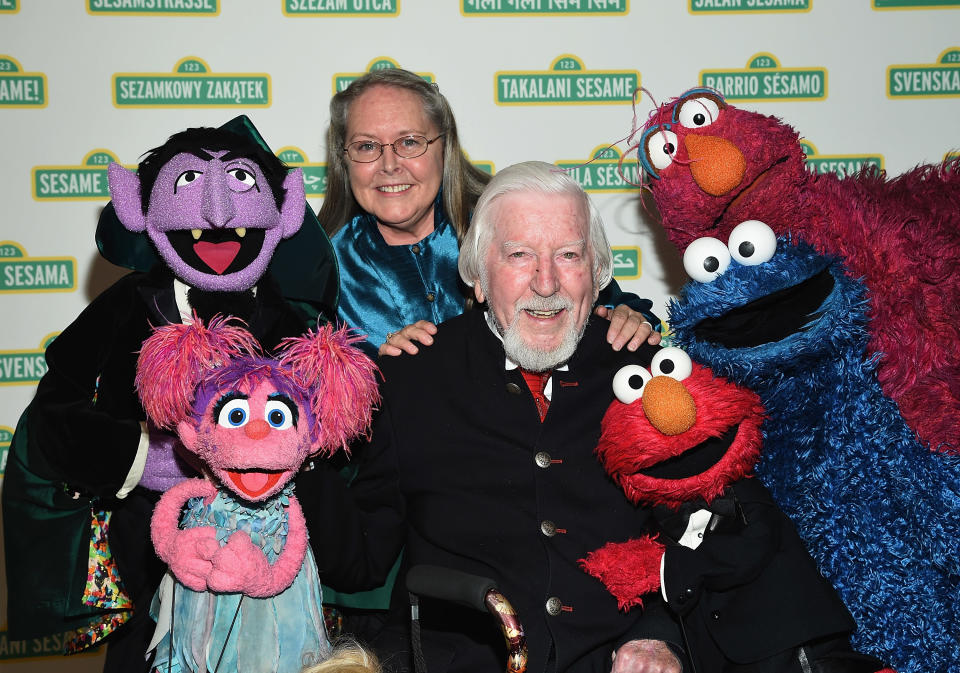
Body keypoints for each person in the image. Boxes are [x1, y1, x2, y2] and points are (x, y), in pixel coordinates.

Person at [299, 162, 685, 672]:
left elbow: (699, 545)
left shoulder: (645, 378)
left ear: (597, 275)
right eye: (519, 256)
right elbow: (360, 562)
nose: (546, 283)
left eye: (568, 255)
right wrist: (300, 442)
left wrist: (659, 638)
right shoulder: (411, 378)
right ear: (478, 277)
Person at [1, 122, 325, 673]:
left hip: (267, 566)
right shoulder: (128, 304)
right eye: (193, 182)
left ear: (283, 212)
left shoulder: (294, 321)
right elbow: (53, 413)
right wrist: (140, 458)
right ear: (141, 209)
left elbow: (334, 439)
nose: (219, 213)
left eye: (240, 183)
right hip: (145, 550)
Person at [317, 68, 661, 359]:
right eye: (366, 146)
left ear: (445, 146)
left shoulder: (508, 218)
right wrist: (369, 380)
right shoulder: (320, 271)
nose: (389, 165)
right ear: (344, 159)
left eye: (410, 142)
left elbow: (612, 304)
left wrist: (628, 319)